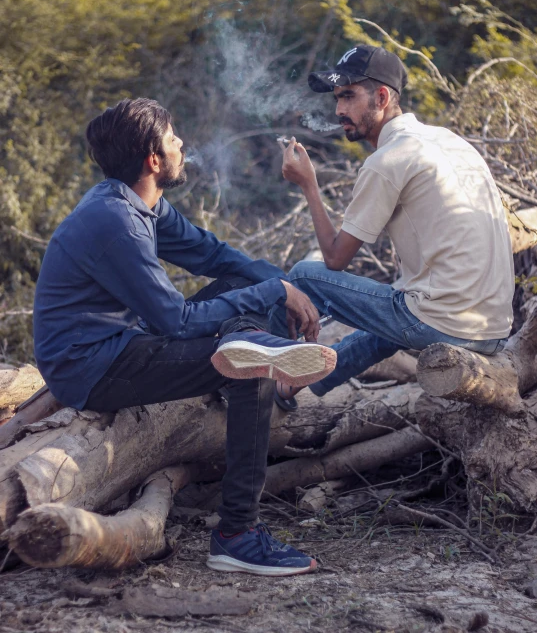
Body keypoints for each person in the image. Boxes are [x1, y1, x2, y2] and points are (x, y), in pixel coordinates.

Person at [33, 97, 338, 575]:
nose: (182, 145)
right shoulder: (116, 223)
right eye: (174, 139)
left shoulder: (142, 204)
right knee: (251, 363)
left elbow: (214, 255)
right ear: (154, 160)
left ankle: (253, 350)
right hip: (91, 368)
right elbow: (176, 321)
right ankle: (238, 535)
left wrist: (284, 285)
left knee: (246, 293)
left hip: (125, 343)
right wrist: (274, 292)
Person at [272, 44, 514, 411]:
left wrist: (309, 185)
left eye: (349, 96)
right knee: (401, 304)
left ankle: (268, 375)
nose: (339, 110)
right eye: (337, 98)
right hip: (494, 330)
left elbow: (335, 259)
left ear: (382, 96)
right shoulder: (450, 141)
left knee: (302, 277)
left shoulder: (388, 160)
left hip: (447, 326)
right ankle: (298, 382)